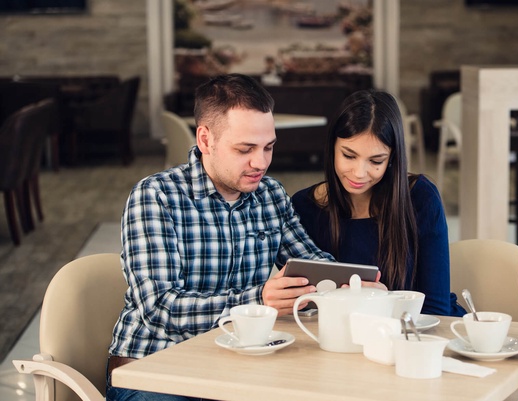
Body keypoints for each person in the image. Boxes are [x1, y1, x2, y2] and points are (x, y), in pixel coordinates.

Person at [107, 74, 334, 401]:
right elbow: (160, 308)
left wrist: (351, 284)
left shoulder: (269, 194)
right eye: (245, 149)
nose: (261, 163)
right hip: (152, 367)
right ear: (205, 139)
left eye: (268, 147)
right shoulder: (156, 196)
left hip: (236, 364)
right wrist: (258, 300)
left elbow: (311, 263)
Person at [291, 89, 465, 316]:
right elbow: (305, 308)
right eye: (349, 156)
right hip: (339, 337)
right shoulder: (305, 206)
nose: (359, 173)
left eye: (376, 161)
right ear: (332, 146)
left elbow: (436, 308)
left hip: (417, 333)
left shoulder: (420, 198)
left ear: (392, 158)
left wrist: (385, 303)